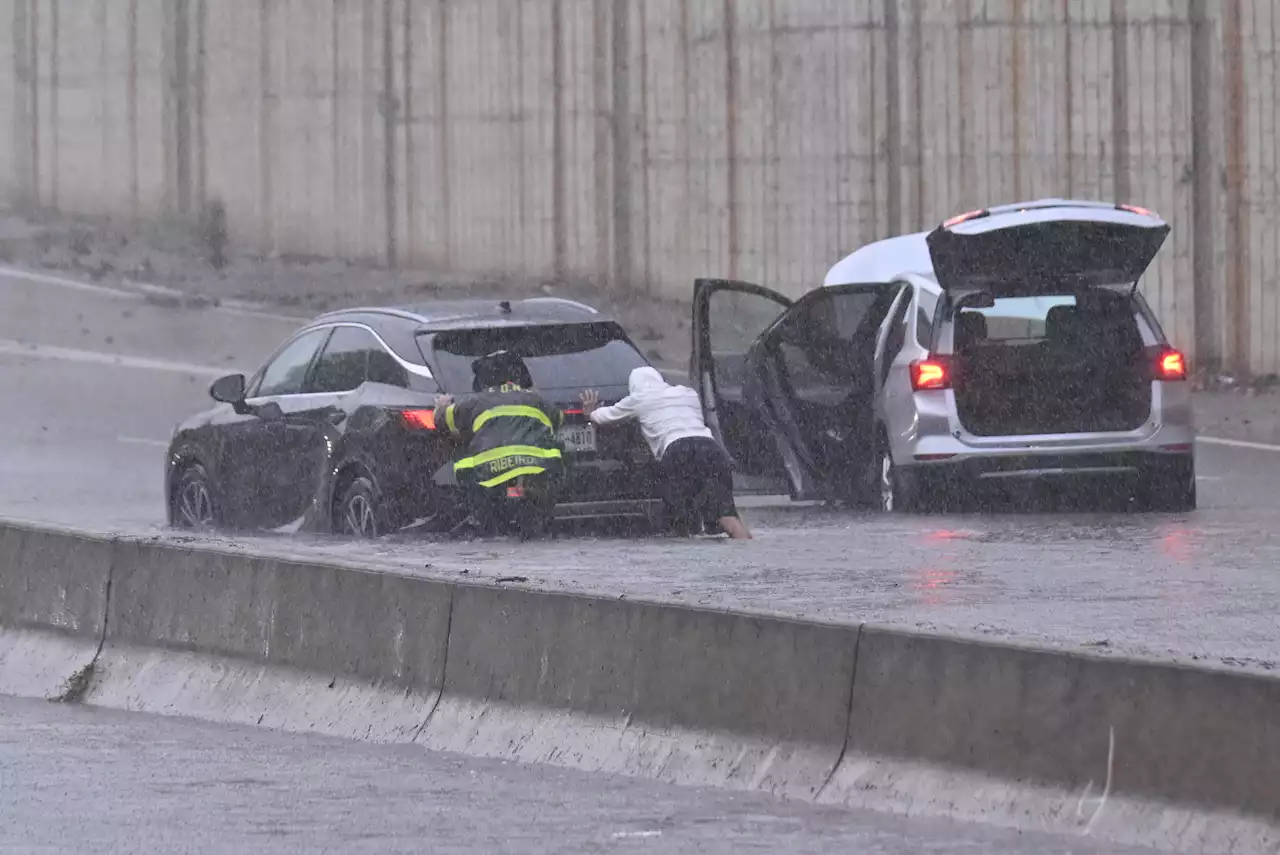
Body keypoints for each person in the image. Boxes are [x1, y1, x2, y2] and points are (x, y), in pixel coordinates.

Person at [580, 366, 751, 540]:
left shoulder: (639, 398)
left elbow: (603, 417)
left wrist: (590, 412)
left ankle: (686, 556)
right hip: (711, 450)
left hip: (677, 452)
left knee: (681, 523)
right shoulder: (688, 393)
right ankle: (747, 554)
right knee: (727, 516)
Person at [434, 350, 565, 538]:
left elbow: (442, 422)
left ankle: (479, 513)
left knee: (461, 459)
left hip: (490, 476)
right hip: (534, 470)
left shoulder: (475, 401)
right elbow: (559, 420)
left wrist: (442, 405)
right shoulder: (535, 399)